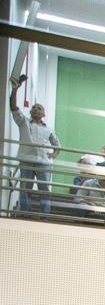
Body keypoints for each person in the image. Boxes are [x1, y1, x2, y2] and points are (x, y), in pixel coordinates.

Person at [10, 75, 61, 216]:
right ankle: (24, 214)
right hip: (26, 159)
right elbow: (13, 107)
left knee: (44, 189)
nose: (36, 109)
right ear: (31, 112)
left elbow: (57, 145)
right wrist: (15, 90)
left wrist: (54, 154)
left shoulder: (49, 129)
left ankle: (44, 215)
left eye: (39, 108)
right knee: (25, 189)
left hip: (43, 162)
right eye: (34, 108)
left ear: (43, 113)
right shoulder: (24, 122)